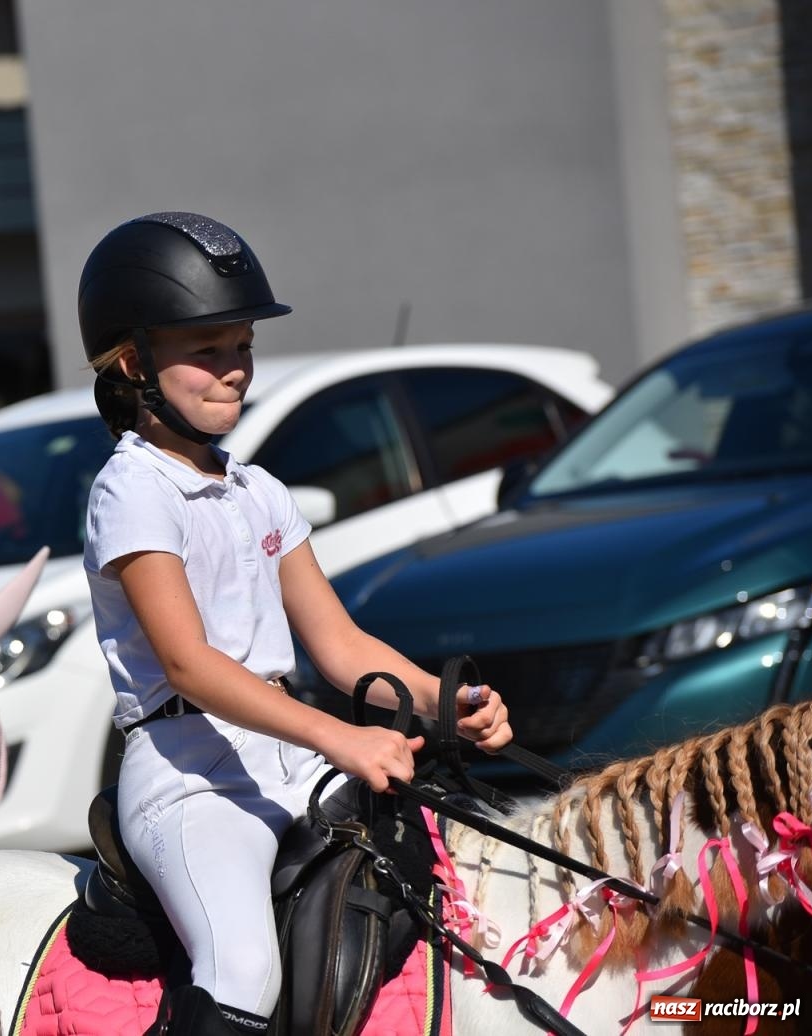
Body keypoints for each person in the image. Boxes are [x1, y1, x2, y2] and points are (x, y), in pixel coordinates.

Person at [78, 212, 512, 1036]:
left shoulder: (258, 490)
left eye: (240, 346)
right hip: (189, 778)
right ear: (135, 363)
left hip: (285, 759)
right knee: (242, 971)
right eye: (206, 351)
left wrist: (434, 699)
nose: (233, 371)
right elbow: (190, 665)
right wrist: (339, 739)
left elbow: (339, 643)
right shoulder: (132, 490)